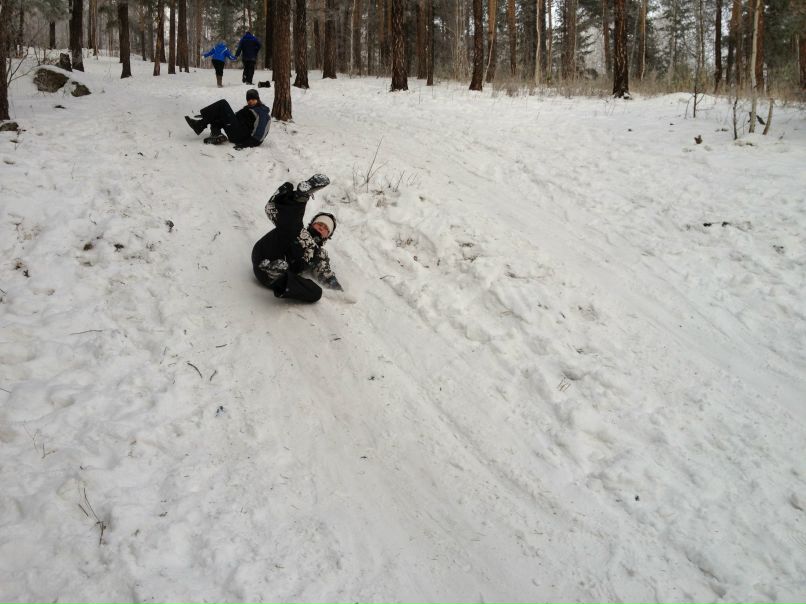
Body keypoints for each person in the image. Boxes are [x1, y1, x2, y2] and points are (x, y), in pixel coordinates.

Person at [251, 175, 343, 303]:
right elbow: (287, 223)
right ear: (312, 224)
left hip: (274, 277)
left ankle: (276, 273)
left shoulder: (318, 253)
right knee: (293, 227)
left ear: (327, 236)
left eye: (326, 228)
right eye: (319, 224)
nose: (322, 227)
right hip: (265, 253)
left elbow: (325, 273)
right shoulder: (297, 228)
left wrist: (336, 288)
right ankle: (299, 198)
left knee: (316, 292)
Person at [184, 89, 270, 147]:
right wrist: (212, 115)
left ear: (258, 99)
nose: (250, 101)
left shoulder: (262, 111)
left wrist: (246, 144)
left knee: (222, 104)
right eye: (248, 99)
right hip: (236, 132)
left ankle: (199, 125)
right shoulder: (247, 109)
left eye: (253, 99)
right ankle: (216, 134)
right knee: (219, 114)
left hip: (240, 136)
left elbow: (260, 132)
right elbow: (233, 117)